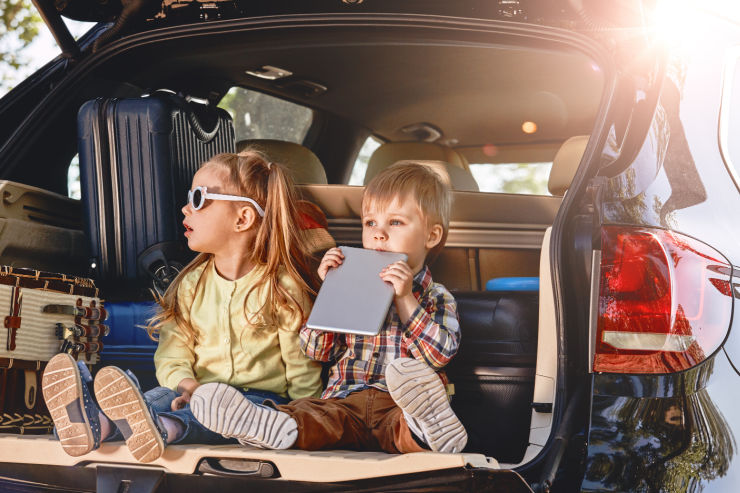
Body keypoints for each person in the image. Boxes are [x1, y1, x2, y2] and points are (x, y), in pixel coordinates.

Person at [42, 150, 323, 463]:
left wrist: (303, 417)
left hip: (256, 402)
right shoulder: (190, 284)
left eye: (200, 198)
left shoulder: (281, 287)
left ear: (242, 218)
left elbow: (302, 365)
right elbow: (173, 354)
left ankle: (164, 428)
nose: (185, 208)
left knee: (219, 416)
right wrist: (189, 386)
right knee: (158, 396)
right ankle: (100, 423)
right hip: (190, 389)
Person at [191, 162, 468, 454]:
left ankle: (427, 427)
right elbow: (317, 351)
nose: (379, 234)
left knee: (404, 429)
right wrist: (330, 293)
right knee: (314, 416)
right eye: (370, 223)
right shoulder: (351, 287)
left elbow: (438, 356)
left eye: (395, 222)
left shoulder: (436, 297)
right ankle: (271, 424)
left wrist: (404, 299)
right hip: (343, 403)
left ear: (432, 236)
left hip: (398, 407)